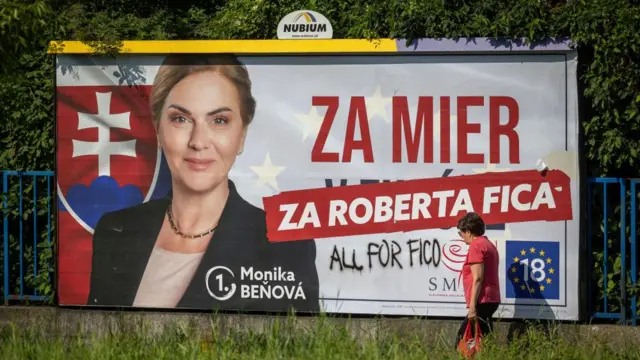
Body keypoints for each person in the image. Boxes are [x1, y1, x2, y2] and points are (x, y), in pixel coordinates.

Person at [86, 54, 320, 314]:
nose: (198, 141)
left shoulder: (285, 248)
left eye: (219, 121)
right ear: (158, 129)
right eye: (180, 119)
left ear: (242, 134)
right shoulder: (115, 230)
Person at [455, 212, 501, 346]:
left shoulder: (476, 245)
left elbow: (478, 278)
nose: (462, 237)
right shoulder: (488, 244)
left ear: (468, 232)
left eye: (461, 233)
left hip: (482, 300)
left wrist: (473, 307)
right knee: (484, 341)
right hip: (491, 299)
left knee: (461, 341)